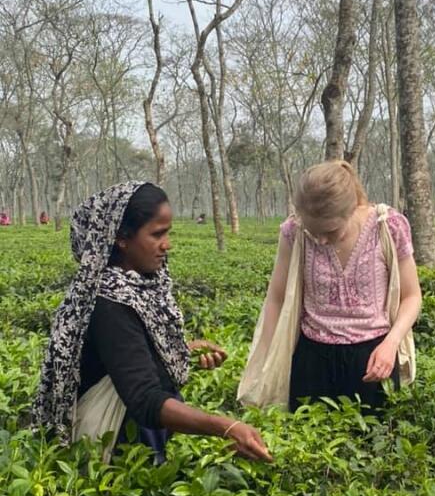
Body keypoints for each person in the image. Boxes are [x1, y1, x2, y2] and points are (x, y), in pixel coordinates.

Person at [33, 182, 271, 463]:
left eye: (167, 232)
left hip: (137, 433)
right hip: (115, 445)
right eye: (157, 234)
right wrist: (226, 427)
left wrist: (183, 349)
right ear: (122, 238)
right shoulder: (110, 303)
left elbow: (130, 351)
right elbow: (144, 398)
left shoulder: (141, 285)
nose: (166, 245)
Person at [254, 160, 422, 411]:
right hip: (312, 361)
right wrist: (267, 356)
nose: (321, 240)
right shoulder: (294, 231)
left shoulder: (388, 226)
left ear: (353, 208)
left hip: (373, 358)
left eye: (331, 231)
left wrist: (391, 344)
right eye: (314, 231)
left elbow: (412, 296)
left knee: (374, 442)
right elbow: (276, 298)